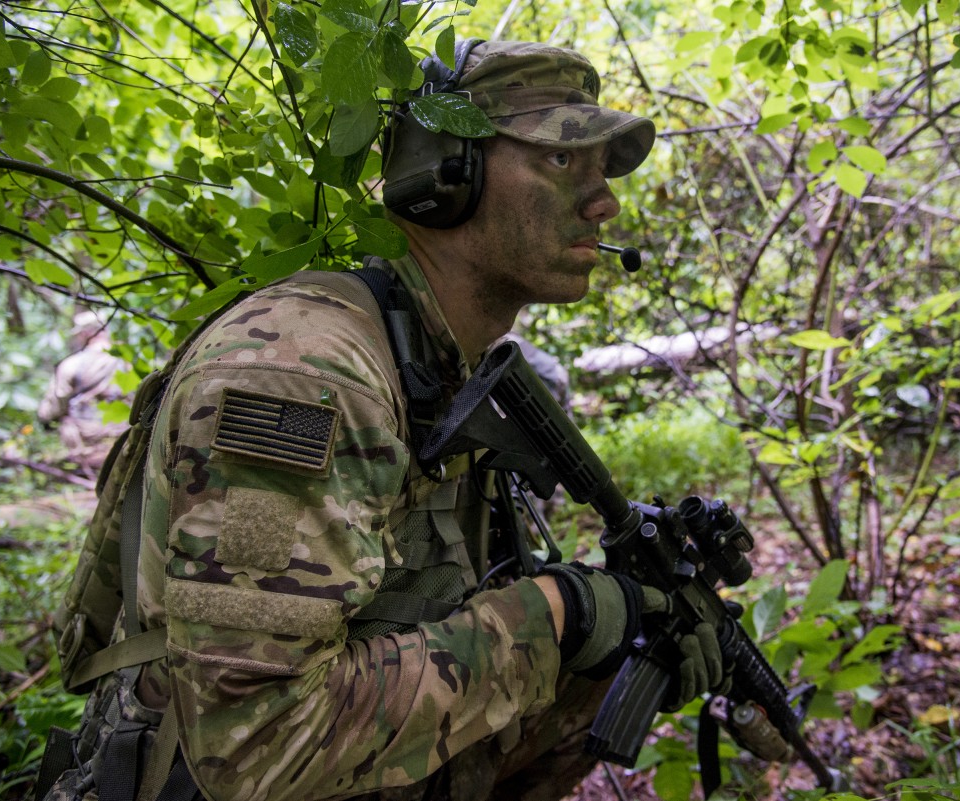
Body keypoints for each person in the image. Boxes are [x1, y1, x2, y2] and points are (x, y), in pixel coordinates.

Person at [43, 40, 730, 801]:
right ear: (446, 173)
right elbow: (255, 744)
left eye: (602, 173)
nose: (605, 203)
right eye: (563, 162)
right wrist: (560, 613)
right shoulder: (305, 373)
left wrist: (624, 642)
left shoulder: (437, 364)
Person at [37, 310, 128, 472]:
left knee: (66, 422)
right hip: (123, 435)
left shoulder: (71, 365)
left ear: (85, 333)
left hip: (86, 439)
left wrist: (46, 420)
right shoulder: (128, 361)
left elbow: (53, 406)